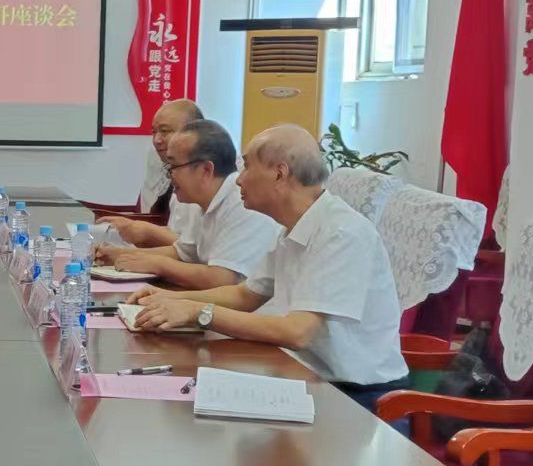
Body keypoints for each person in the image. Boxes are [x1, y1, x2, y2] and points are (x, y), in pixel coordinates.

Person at [125, 124, 408, 410]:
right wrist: (170, 300)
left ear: (280, 173)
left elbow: (297, 332)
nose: (238, 180)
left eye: (247, 167)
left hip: (357, 397)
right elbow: (246, 295)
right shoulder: (293, 226)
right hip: (305, 374)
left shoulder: (341, 233)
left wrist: (198, 312)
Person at [95, 120, 278, 288]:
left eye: (173, 167)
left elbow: (222, 278)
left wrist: (158, 265)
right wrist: (121, 255)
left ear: (206, 170)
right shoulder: (199, 200)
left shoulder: (243, 202)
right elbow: (183, 253)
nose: (169, 175)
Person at [97, 99, 203, 248]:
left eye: (165, 131)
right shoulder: (175, 172)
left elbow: (196, 250)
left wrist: (147, 232)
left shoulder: (204, 178)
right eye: (154, 132)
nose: (156, 140)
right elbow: (177, 239)